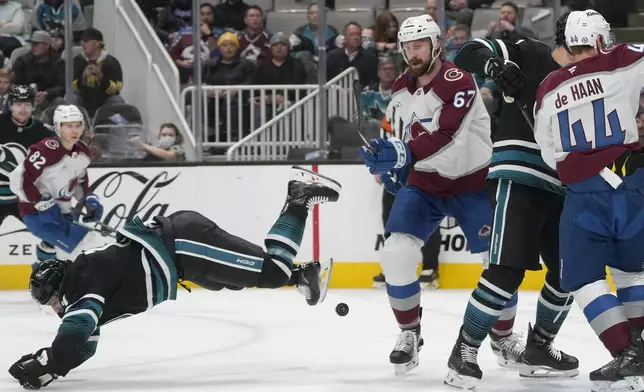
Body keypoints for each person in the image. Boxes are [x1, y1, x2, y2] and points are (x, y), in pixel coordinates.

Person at [8, 165, 341, 390]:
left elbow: (75, 331)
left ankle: (299, 200)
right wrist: (51, 364)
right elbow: (85, 346)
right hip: (183, 259)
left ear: (58, 288)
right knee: (249, 276)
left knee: (272, 271)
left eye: (51, 301)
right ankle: (301, 274)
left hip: (182, 243)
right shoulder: (82, 284)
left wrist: (50, 362)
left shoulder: (82, 283)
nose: (55, 309)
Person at [443, 12, 581, 388]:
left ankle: (539, 347)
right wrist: (494, 65)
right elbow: (466, 53)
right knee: (506, 271)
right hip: (518, 176)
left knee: (569, 274)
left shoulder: (587, 79)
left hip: (563, 186)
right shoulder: (529, 51)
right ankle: (464, 350)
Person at [358, 14, 494, 376]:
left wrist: (402, 154)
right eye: (407, 46)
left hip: (472, 183)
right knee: (395, 252)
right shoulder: (401, 87)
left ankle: (504, 337)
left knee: (496, 264)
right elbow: (399, 135)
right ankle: (409, 334)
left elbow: (445, 134)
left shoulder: (458, 80)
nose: (413, 52)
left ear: (436, 46)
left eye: (419, 45)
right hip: (425, 184)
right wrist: (388, 162)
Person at [532, 9, 644, 392]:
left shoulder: (548, 86)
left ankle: (629, 357)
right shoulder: (624, 59)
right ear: (599, 39)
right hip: (633, 184)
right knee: (633, 271)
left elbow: (549, 153)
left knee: (582, 280)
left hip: (585, 195)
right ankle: (640, 353)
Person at [9, 104, 104, 263]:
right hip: (37, 215)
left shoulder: (83, 153)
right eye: (68, 126)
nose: (75, 131)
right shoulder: (46, 150)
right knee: (85, 245)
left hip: (63, 213)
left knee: (61, 255)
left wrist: (90, 200)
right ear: (58, 127)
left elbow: (80, 181)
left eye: (78, 125)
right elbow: (19, 180)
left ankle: (43, 281)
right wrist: (41, 202)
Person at [0, 85, 54, 262]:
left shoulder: (42, 132)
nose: (23, 109)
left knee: (52, 235)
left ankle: (47, 277)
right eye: (18, 104)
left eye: (27, 105)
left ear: (33, 107)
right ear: (11, 105)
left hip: (24, 196)